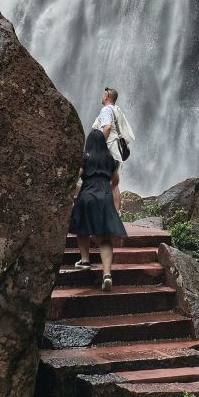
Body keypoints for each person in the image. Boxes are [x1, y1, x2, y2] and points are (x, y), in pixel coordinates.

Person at [69, 129, 126, 291]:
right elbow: (116, 180)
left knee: (82, 228)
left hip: (87, 195)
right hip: (104, 196)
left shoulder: (84, 157)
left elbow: (76, 176)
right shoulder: (110, 159)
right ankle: (107, 275)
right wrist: (107, 188)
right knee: (105, 237)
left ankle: (85, 260)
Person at [92, 87, 135, 212]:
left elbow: (107, 128)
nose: (101, 97)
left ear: (106, 97)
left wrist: (99, 145)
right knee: (114, 184)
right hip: (117, 153)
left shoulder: (106, 110)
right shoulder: (117, 110)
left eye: (102, 95)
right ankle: (115, 214)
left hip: (108, 150)